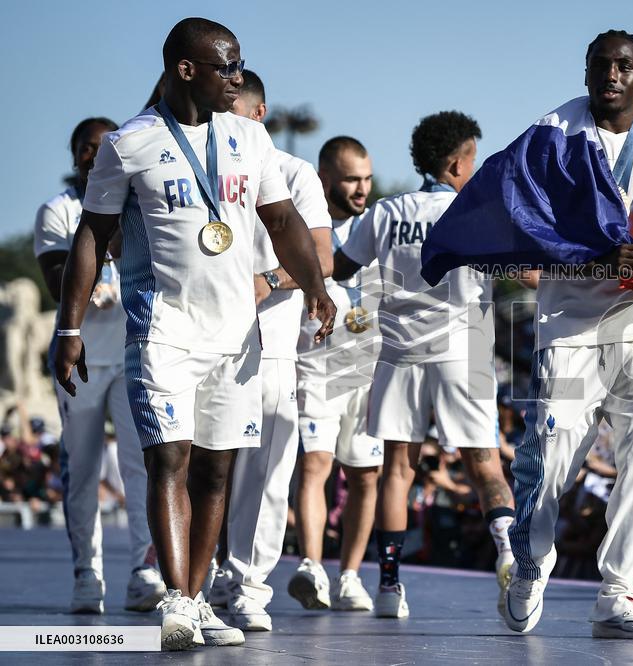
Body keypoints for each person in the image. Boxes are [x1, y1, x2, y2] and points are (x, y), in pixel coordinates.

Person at [53, 17, 335, 650]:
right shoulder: (130, 144)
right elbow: (92, 235)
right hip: (163, 328)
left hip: (236, 335)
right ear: (187, 70)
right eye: (226, 68)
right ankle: (176, 601)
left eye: (239, 67)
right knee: (168, 459)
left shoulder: (248, 139)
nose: (237, 79)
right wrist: (69, 324)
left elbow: (282, 217)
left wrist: (316, 285)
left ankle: (200, 598)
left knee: (214, 471)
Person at [421, 30, 633, 638]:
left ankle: (621, 593)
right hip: (572, 316)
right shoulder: (549, 140)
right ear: (586, 73)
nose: (611, 75)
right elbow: (521, 220)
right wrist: (599, 257)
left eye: (623, 66)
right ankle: (530, 563)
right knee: (554, 457)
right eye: (601, 65)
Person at [330, 111, 516, 619]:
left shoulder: (388, 211)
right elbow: (525, 271)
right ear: (458, 161)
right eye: (474, 158)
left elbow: (342, 265)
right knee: (485, 466)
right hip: (466, 352)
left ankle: (389, 587)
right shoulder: (478, 211)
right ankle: (507, 553)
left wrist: (287, 266)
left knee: (397, 472)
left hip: (400, 353)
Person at [205, 70, 334, 632]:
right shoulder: (199, 166)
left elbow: (323, 257)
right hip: (204, 340)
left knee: (268, 470)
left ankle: (249, 586)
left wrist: (271, 279)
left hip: (272, 342)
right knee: (203, 468)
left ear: (257, 117)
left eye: (231, 112)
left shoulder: (295, 172)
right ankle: (197, 579)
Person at [34, 116, 165, 615]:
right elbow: (54, 281)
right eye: (86, 148)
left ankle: (143, 570)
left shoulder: (138, 201)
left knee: (140, 467)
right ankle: (87, 574)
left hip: (134, 353)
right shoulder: (59, 211)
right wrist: (92, 287)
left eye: (103, 146)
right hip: (82, 357)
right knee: (84, 469)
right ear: (74, 156)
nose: (94, 155)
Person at [288, 136, 383, 613]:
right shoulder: (304, 228)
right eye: (351, 179)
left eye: (366, 178)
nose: (362, 189)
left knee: (366, 476)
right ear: (325, 178)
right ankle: (311, 566)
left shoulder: (378, 226)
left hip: (366, 371)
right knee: (315, 465)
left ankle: (349, 576)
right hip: (318, 366)